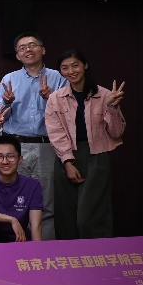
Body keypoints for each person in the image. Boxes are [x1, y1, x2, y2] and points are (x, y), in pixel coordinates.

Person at [46, 50, 126, 240]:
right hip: (66, 157)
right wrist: (67, 163)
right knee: (66, 216)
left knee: (89, 217)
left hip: (96, 157)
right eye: (65, 68)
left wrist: (112, 107)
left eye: (75, 65)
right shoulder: (55, 98)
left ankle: (97, 255)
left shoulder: (105, 95)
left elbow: (117, 133)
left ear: (85, 65)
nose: (71, 71)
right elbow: (56, 133)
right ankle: (69, 256)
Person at [0, 32, 66, 240]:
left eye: (32, 45)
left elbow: (69, 113)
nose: (28, 50)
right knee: (15, 202)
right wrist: (7, 103)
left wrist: (50, 98)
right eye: (22, 47)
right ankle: (16, 252)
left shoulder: (58, 77)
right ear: (17, 55)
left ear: (43, 50)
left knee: (46, 203)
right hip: (17, 147)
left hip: (47, 146)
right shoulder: (9, 79)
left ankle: (45, 251)